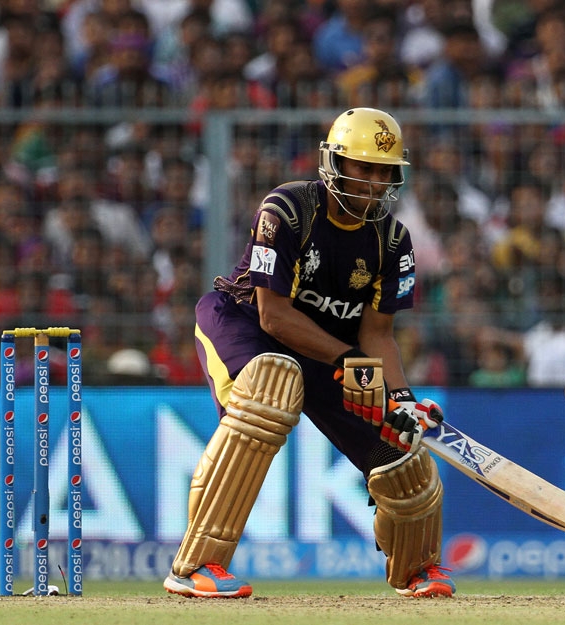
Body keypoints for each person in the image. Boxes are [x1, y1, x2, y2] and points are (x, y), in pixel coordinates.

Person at [163, 108, 455, 599]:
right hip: (244, 323)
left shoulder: (393, 241)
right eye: (363, 168)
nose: (374, 183)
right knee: (271, 389)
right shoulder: (289, 209)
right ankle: (197, 565)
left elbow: (379, 335)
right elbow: (274, 315)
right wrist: (348, 361)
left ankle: (416, 570)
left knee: (401, 450)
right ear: (333, 164)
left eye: (384, 172)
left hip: (326, 348)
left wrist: (401, 398)